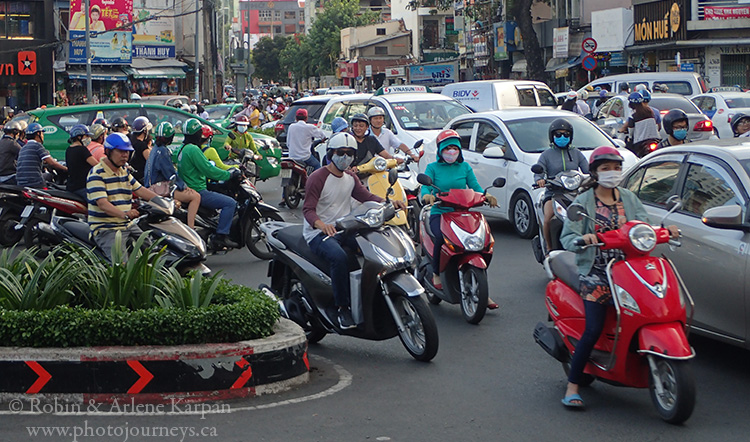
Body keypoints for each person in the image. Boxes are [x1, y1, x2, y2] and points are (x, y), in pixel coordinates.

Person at [558, 146, 679, 409]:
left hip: (629, 270)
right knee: (592, 330)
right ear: (595, 172)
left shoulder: (628, 198)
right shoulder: (583, 203)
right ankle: (572, 385)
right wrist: (584, 239)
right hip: (597, 272)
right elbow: (566, 237)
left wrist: (664, 230)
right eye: (605, 169)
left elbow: (643, 225)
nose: (612, 173)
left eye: (615, 168)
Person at [302, 132, 407, 329]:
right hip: (318, 233)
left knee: (373, 247)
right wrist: (321, 225)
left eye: (350, 154)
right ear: (331, 153)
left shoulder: (350, 177)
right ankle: (342, 307)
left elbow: (366, 196)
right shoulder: (317, 178)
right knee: (339, 258)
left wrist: (390, 203)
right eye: (341, 153)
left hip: (344, 228)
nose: (345, 157)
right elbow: (308, 209)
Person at [420, 129, 499, 309]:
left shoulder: (465, 167)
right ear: (440, 150)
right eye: (447, 149)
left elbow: (475, 187)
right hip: (440, 213)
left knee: (483, 241)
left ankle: (482, 290)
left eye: (454, 149)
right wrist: (427, 196)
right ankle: (437, 274)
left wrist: (486, 196)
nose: (451, 152)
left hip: (464, 213)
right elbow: (425, 187)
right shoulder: (432, 168)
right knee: (441, 238)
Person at [86, 133, 159, 262]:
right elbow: (103, 204)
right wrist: (124, 214)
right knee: (122, 265)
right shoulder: (97, 174)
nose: (125, 155)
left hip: (127, 224)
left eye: (127, 152)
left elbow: (140, 190)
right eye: (120, 151)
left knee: (151, 249)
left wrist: (163, 201)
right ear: (108, 151)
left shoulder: (124, 171)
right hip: (107, 228)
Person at [174, 118, 239, 249]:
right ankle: (221, 236)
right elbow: (209, 170)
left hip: (188, 188)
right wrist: (229, 175)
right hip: (198, 190)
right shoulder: (193, 149)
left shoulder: (182, 148)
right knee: (230, 203)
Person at [533, 119, 590, 253]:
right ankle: (548, 247)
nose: (562, 137)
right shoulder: (546, 155)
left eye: (565, 135)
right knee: (548, 218)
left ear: (570, 136)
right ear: (552, 136)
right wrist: (539, 180)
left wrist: (594, 176)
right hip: (553, 193)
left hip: (574, 193)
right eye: (558, 135)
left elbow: (587, 170)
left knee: (588, 215)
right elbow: (539, 171)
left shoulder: (576, 153)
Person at [143, 122, 201, 229]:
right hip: (158, 188)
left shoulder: (155, 149)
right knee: (196, 197)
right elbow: (170, 175)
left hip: (151, 186)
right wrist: (184, 186)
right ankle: (191, 228)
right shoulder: (163, 151)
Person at [16, 123, 67, 188]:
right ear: (38, 134)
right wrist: (66, 169)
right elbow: (52, 163)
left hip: (21, 183)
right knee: (49, 179)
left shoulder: (23, 148)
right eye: (42, 133)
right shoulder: (37, 146)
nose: (43, 136)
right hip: (34, 182)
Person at [618, 92, 659, 156]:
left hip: (640, 141)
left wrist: (630, 137)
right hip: (655, 138)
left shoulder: (633, 115)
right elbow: (656, 125)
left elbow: (631, 130)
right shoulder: (650, 111)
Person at [65, 124, 98, 200]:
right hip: (82, 187)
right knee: (99, 204)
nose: (88, 139)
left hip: (71, 187)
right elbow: (96, 164)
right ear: (79, 137)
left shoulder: (69, 149)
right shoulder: (82, 150)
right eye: (87, 136)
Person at [129, 116, 153, 182]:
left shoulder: (130, 141)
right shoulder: (142, 146)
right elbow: (151, 161)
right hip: (140, 177)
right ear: (145, 131)